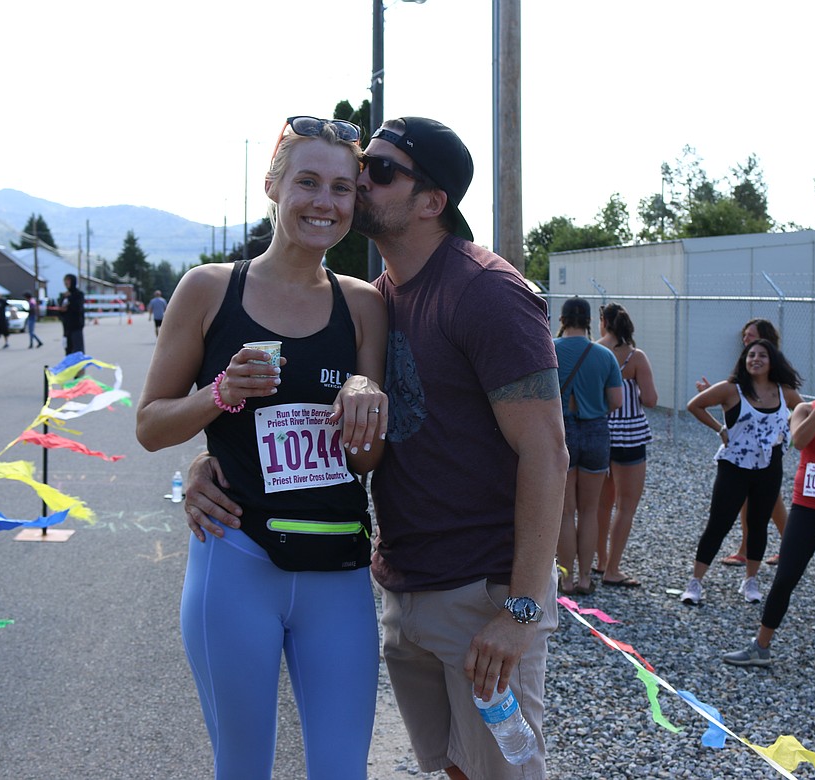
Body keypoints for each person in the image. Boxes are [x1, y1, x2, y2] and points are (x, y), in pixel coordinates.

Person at [185, 117, 568, 780]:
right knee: (452, 767)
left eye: (380, 171)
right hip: (404, 586)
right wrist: (207, 458)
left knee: (503, 774)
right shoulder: (381, 296)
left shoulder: (487, 292)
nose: (360, 182)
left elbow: (549, 452)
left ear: (431, 202)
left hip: (483, 595)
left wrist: (522, 612)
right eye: (363, 168)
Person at [136, 115, 388, 779]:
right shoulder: (210, 289)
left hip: (337, 568)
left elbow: (364, 461)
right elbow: (151, 424)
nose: (324, 202)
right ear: (273, 185)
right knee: (243, 769)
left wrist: (365, 396)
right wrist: (219, 394)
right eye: (307, 181)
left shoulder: (363, 306)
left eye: (340, 188)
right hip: (237, 563)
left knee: (342, 771)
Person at [723, 347, 815, 677]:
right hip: (806, 506)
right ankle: (760, 645)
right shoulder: (806, 408)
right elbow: (799, 442)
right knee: (786, 575)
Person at [683, 338, 803, 606]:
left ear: (773, 361)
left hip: (769, 466)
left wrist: (790, 434)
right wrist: (720, 428)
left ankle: (750, 580)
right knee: (719, 523)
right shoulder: (731, 389)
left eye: (762, 355)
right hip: (734, 465)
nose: (755, 360)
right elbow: (695, 405)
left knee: (758, 524)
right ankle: (696, 582)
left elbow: (803, 411)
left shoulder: (784, 391)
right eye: (750, 356)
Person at [697, 318, 791, 567]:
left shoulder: (778, 385)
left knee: (770, 506)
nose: (745, 340)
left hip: (767, 457)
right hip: (741, 457)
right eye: (745, 337)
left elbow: (798, 410)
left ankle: (788, 547)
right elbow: (738, 408)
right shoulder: (744, 375)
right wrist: (715, 400)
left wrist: (785, 437)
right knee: (744, 506)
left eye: (751, 336)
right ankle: (747, 548)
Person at [554, 296, 623, 596]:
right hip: (596, 431)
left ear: (563, 319)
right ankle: (585, 578)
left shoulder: (550, 350)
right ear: (590, 321)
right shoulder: (604, 355)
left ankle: (565, 580)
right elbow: (616, 402)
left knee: (565, 512)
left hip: (561, 431)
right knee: (590, 509)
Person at [594, 302, 657, 587]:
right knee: (626, 506)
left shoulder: (595, 351)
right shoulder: (635, 356)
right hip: (630, 434)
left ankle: (600, 560)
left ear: (603, 322)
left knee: (601, 503)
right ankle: (613, 570)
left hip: (599, 430)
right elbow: (652, 399)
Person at [51, 274, 85, 355]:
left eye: (68, 281)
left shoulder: (78, 294)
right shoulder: (64, 295)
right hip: (66, 327)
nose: (66, 283)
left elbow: (78, 308)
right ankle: (69, 366)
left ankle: (79, 367)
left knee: (77, 351)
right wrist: (61, 310)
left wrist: (70, 298)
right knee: (68, 350)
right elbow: (60, 310)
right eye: (65, 281)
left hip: (76, 327)